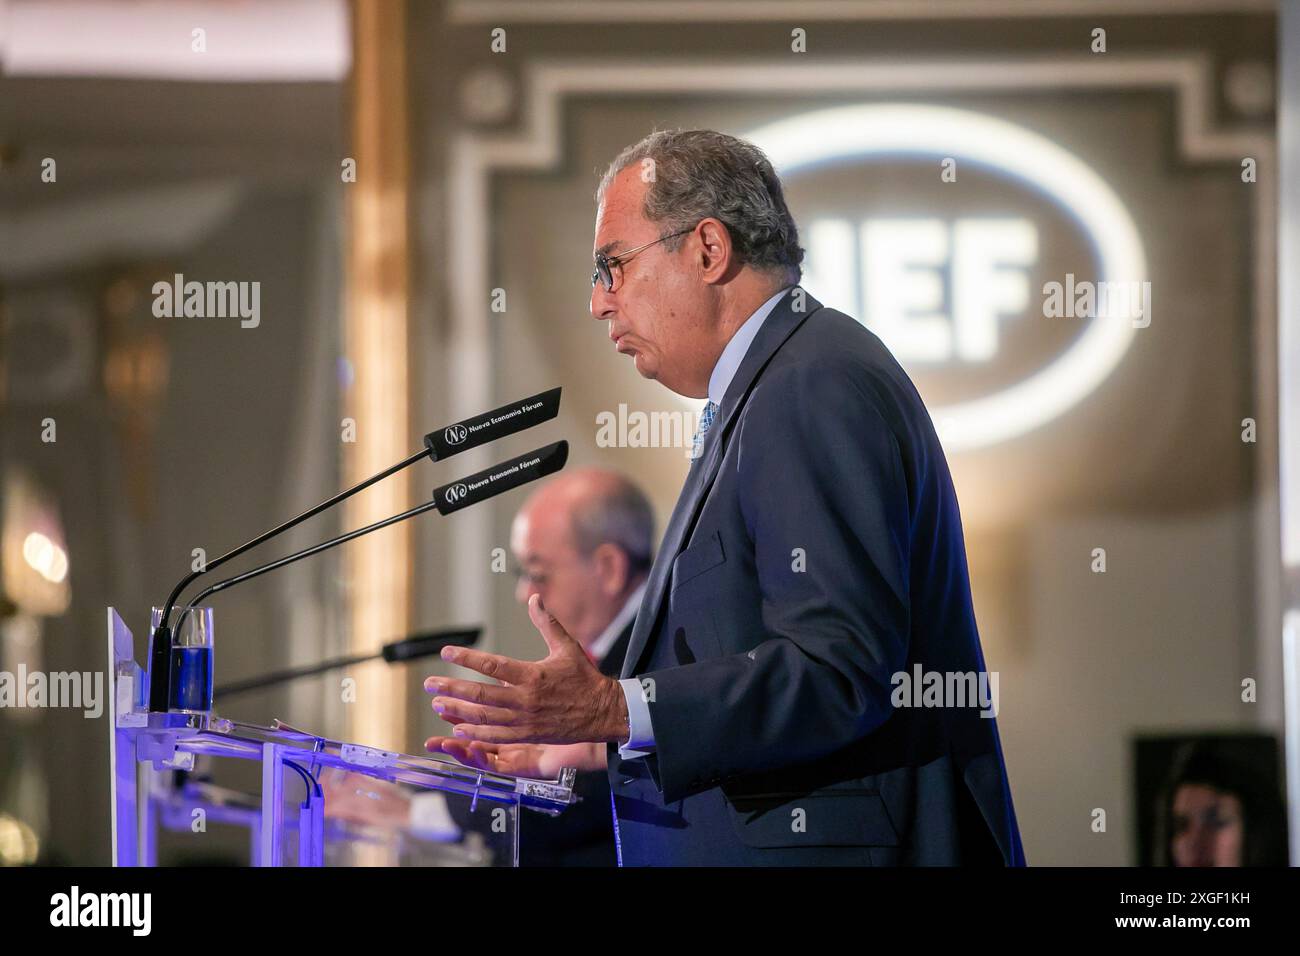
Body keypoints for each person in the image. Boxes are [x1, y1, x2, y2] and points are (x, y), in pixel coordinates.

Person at [425, 128, 1025, 866]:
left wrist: (618, 707)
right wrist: (592, 745)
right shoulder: (773, 384)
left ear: (708, 249)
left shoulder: (810, 384)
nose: (596, 302)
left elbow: (840, 667)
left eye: (612, 265)